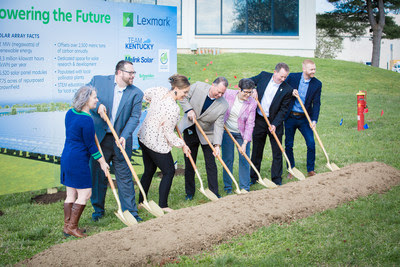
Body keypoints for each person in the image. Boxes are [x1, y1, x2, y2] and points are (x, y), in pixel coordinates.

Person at [89, 60, 144, 222]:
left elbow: (135, 117)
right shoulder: (98, 81)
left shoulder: (136, 93)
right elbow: (84, 95)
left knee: (125, 176)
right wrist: (98, 105)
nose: (133, 76)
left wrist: (124, 135)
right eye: (130, 73)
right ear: (119, 72)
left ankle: (131, 212)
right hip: (100, 138)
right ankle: (98, 211)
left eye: (134, 73)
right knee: (98, 175)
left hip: (121, 140)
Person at [137, 74, 191, 213]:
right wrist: (183, 145)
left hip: (143, 137)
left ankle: (141, 202)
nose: (185, 95)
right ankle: (163, 205)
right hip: (155, 141)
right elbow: (168, 133)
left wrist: (154, 108)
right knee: (169, 171)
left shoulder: (159, 91)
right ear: (176, 88)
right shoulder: (173, 109)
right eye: (184, 92)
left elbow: (146, 95)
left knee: (149, 170)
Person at [61, 86, 109, 238]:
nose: (97, 100)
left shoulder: (70, 113)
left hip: (67, 156)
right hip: (78, 160)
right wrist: (102, 162)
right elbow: (90, 146)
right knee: (85, 193)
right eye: (94, 97)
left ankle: (67, 227)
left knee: (71, 193)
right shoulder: (87, 119)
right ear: (86, 99)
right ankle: (73, 227)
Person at [179, 77, 229, 200]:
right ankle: (189, 193)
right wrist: (189, 110)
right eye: (218, 91)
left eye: (223, 93)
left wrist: (217, 145)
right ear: (213, 85)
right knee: (190, 162)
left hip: (207, 133)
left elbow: (218, 125)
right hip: (190, 128)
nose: (220, 95)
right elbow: (182, 97)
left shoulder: (223, 104)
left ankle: (214, 191)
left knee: (211, 164)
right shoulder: (198, 86)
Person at [249, 63, 292, 186]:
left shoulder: (287, 89)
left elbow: (283, 110)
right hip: (260, 120)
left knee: (277, 151)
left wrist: (275, 124)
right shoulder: (263, 76)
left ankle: (276, 179)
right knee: (257, 150)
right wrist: (253, 89)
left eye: (285, 77)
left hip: (275, 123)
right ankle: (253, 177)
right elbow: (247, 81)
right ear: (275, 72)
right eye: (281, 76)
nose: (283, 79)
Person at [285, 59, 322, 178]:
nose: (313, 71)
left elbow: (316, 103)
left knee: (311, 143)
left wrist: (314, 120)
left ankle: (310, 169)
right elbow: (283, 89)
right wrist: (291, 91)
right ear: (304, 69)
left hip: (305, 119)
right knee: (288, 144)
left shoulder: (317, 84)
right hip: (290, 117)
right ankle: (291, 169)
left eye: (314, 69)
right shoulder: (292, 77)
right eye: (311, 69)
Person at [221, 78, 257, 193]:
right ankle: (228, 187)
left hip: (242, 135)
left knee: (244, 159)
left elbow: (250, 124)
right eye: (245, 92)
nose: (247, 95)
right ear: (239, 89)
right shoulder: (228, 94)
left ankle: (244, 187)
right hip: (227, 132)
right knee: (228, 159)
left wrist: (245, 143)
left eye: (250, 92)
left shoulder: (252, 103)